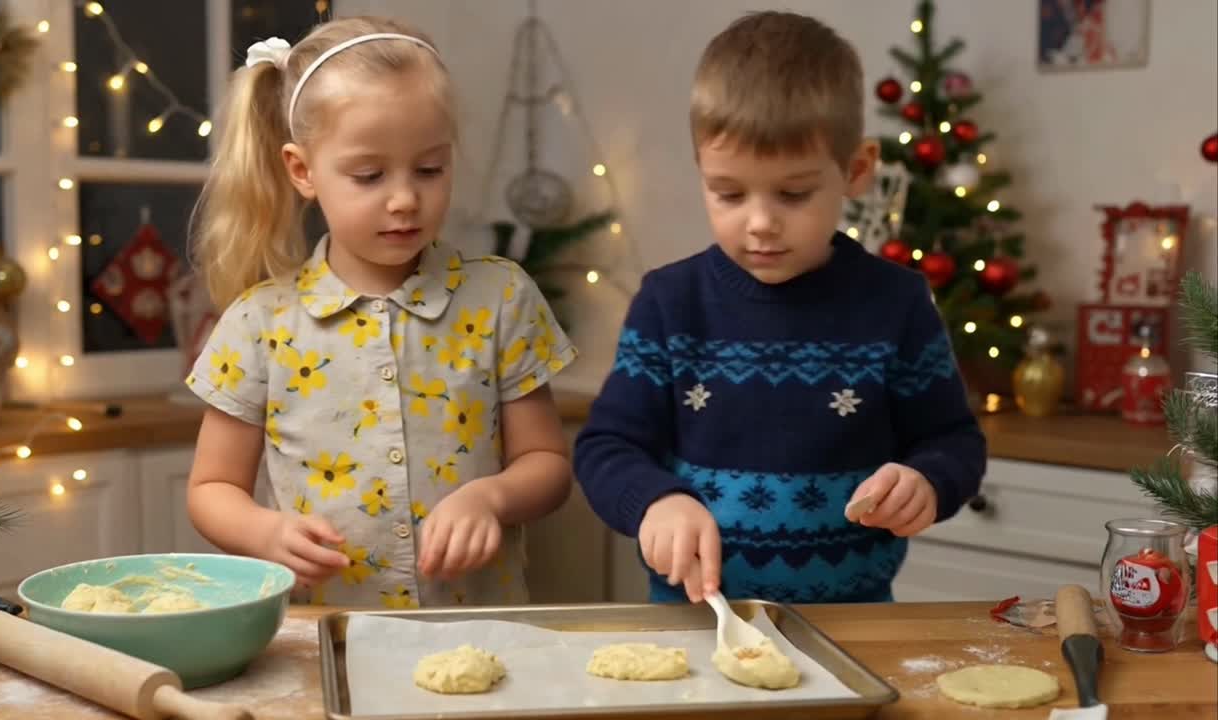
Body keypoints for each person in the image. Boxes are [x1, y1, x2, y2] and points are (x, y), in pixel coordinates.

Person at [574, 11, 986, 606]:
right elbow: (606, 446)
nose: (761, 222)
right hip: (695, 621)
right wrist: (656, 501)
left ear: (857, 170)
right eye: (729, 193)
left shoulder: (895, 303)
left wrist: (928, 480)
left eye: (794, 194)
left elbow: (953, 439)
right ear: (701, 173)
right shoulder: (670, 303)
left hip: (854, 625)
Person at [185, 16, 576, 607]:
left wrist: (491, 497)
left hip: (477, 630)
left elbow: (546, 463)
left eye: (430, 169)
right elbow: (212, 488)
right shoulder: (259, 323)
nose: (404, 198)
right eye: (369, 175)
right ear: (302, 170)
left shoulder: (501, 298)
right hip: (324, 636)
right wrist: (265, 532)